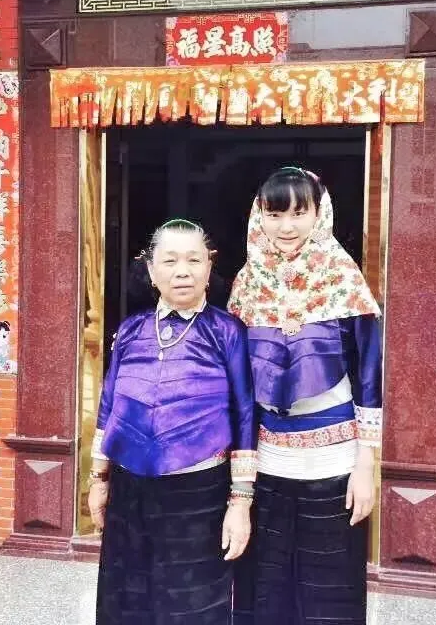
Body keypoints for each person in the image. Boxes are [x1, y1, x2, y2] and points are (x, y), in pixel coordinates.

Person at [228, 168, 382, 625]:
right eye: (275, 214)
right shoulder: (247, 282)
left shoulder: (343, 278)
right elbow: (239, 387)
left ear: (320, 214)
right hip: (268, 464)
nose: (287, 227)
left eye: (299, 213)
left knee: (329, 588)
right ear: (259, 215)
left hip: (334, 464)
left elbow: (369, 374)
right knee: (265, 585)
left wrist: (366, 465)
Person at [88, 218, 257, 625]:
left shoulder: (227, 332)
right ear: (151, 270)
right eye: (170, 260)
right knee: (126, 601)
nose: (183, 271)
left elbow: (245, 414)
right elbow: (109, 406)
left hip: (198, 493)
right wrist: (99, 479)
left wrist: (240, 503)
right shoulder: (130, 330)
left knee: (190, 604)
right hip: (129, 489)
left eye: (194, 260)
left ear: (209, 267)